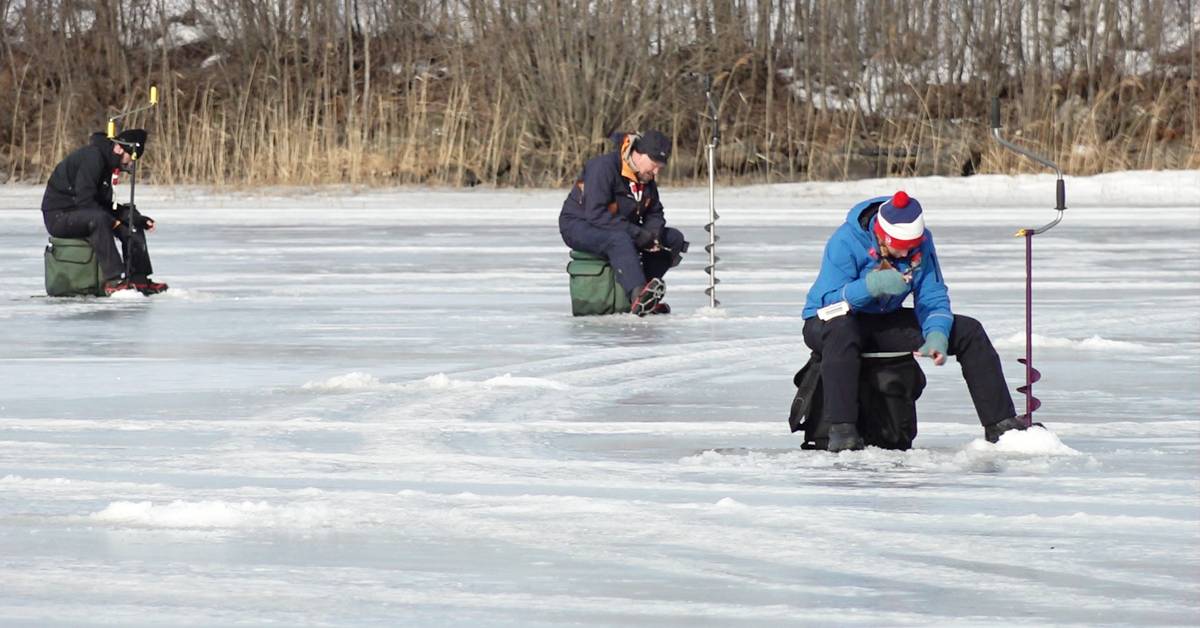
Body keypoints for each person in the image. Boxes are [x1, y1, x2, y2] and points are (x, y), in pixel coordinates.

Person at [801, 191, 1030, 451]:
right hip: (827, 321)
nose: (907, 253)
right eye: (901, 247)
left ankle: (1000, 425)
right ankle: (842, 431)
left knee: (968, 331)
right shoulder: (845, 241)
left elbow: (932, 296)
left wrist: (937, 333)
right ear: (882, 237)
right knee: (842, 330)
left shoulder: (921, 245)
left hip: (880, 323)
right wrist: (869, 286)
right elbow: (826, 303)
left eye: (912, 247)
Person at [559, 129, 688, 316]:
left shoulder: (646, 177)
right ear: (639, 154)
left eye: (660, 167)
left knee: (673, 239)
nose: (656, 171)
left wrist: (652, 235)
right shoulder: (603, 167)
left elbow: (655, 212)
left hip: (617, 226)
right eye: (654, 165)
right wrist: (637, 234)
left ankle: (647, 296)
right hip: (580, 225)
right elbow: (596, 214)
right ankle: (637, 295)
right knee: (619, 240)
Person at [40, 129, 167, 296]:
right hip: (60, 216)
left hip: (82, 213)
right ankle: (114, 280)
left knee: (130, 219)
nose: (130, 164)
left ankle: (138, 278)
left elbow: (103, 203)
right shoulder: (93, 157)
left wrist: (137, 219)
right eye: (132, 158)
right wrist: (112, 222)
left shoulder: (106, 162)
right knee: (99, 219)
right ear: (120, 149)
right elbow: (85, 201)